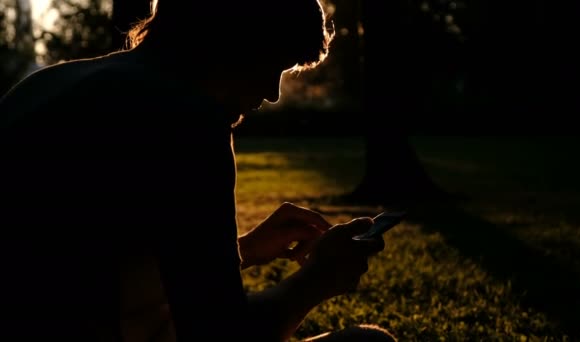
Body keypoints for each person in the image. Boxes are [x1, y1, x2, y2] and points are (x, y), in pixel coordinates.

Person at [0, 0, 397, 341]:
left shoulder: (45, 84)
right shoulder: (188, 119)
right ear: (235, 41)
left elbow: (83, 269)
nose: (272, 93)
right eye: (273, 63)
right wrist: (318, 279)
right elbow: (219, 333)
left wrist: (240, 251)